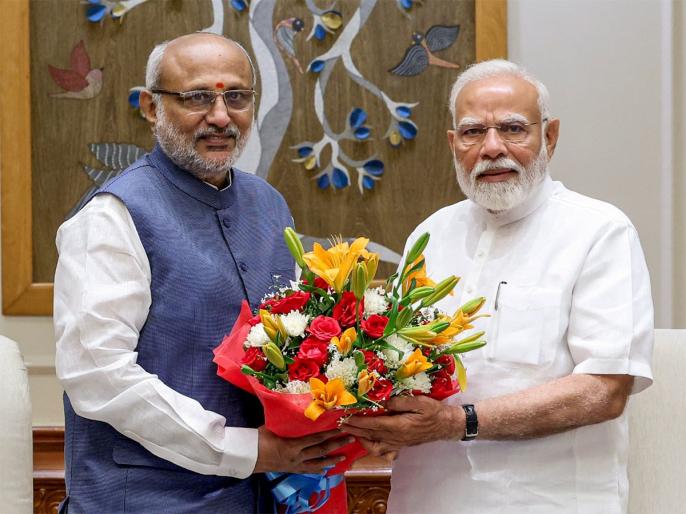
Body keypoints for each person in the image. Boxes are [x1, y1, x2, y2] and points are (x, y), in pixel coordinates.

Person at [54, 33, 350, 514]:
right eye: (196, 98)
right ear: (151, 107)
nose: (220, 116)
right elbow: (97, 374)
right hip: (144, 502)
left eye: (237, 97)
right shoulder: (112, 216)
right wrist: (242, 448)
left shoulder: (269, 205)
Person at [343, 59, 654, 514]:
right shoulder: (430, 234)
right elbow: (397, 365)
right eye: (473, 132)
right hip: (426, 497)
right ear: (453, 143)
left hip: (548, 501)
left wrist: (456, 422)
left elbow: (604, 390)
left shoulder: (601, 231)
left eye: (513, 129)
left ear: (550, 137)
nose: (491, 148)